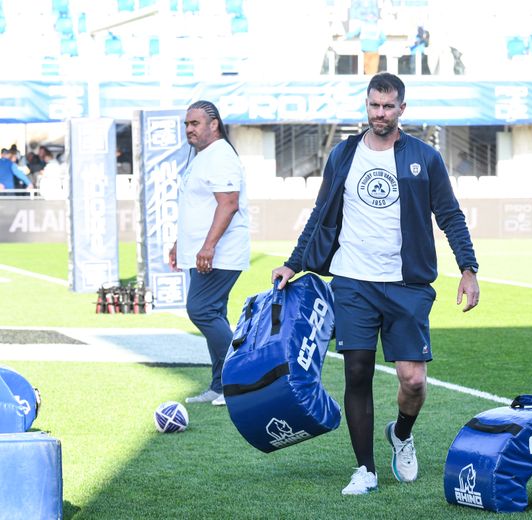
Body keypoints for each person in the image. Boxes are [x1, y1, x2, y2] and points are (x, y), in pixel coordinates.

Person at [271, 73, 479, 496]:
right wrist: (293, 263)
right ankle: (364, 469)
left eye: (387, 107)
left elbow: (450, 215)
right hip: (353, 281)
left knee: (413, 379)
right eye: (373, 106)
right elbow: (320, 213)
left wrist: (468, 268)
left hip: (407, 283)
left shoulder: (425, 157)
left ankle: (401, 433)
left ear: (402, 108)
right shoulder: (344, 155)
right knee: (357, 373)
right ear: (365, 106)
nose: (379, 114)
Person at [168, 100, 250, 407]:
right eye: (187, 124)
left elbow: (228, 204)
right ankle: (220, 386)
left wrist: (208, 246)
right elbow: (196, 206)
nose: (189, 129)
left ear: (213, 124)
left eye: (195, 123)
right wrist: (181, 244)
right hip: (202, 253)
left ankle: (241, 379)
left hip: (220, 254)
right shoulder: (202, 157)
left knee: (200, 311)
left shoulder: (221, 156)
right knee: (213, 314)